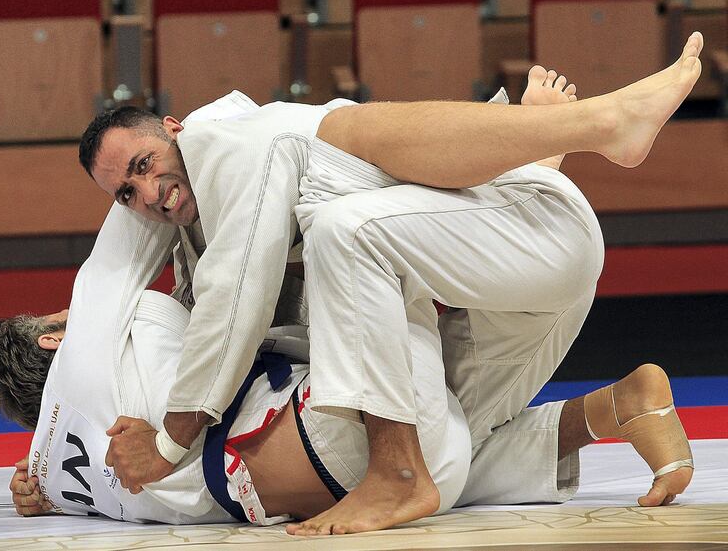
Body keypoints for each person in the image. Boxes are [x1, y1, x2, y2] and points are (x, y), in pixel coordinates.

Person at [77, 36, 702, 532]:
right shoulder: (202, 226)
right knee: (446, 440)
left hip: (533, 238)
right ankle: (621, 405)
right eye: (126, 193)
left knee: (342, 230)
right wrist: (61, 447)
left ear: (175, 128)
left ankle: (395, 473)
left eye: (144, 165)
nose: (148, 194)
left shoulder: (225, 143)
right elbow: (219, 310)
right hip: (512, 276)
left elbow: (232, 303)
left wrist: (166, 444)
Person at [0, 204, 687, 526]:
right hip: (334, 430)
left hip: (331, 475)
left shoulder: (54, 477)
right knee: (354, 230)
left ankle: (617, 409)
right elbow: (135, 218)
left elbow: (36, 483)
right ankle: (516, 180)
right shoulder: (92, 337)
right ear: (50, 341)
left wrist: (27, 489)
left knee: (458, 443)